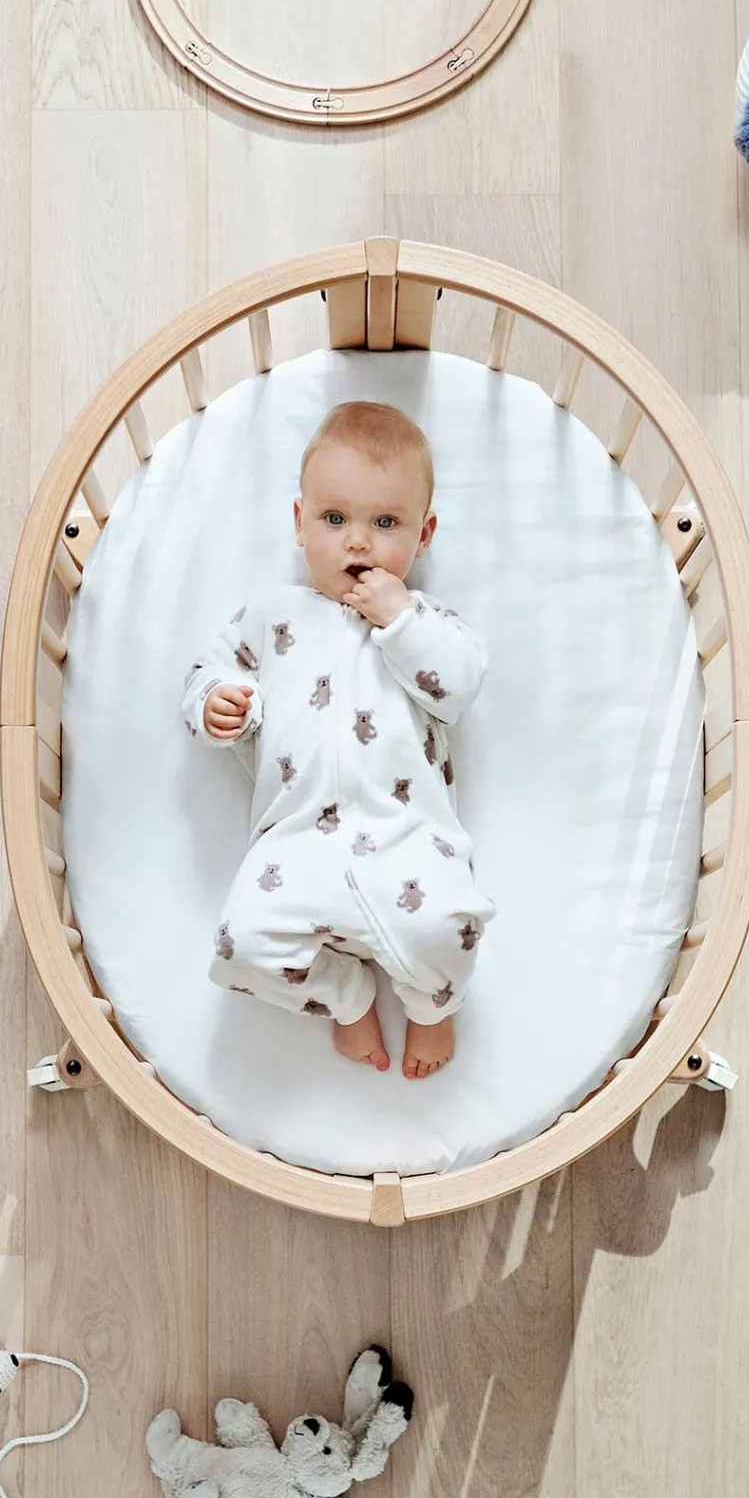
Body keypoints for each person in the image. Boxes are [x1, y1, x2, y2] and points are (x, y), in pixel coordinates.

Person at [183, 401, 494, 1078]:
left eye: (385, 523)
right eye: (334, 519)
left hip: (409, 838)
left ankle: (430, 1010)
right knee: (242, 947)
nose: (358, 543)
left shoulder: (427, 620)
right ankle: (347, 998)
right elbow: (209, 670)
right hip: (295, 844)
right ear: (300, 523)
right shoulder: (272, 618)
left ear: (423, 534)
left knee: (452, 928)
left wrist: (400, 620)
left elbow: (460, 685)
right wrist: (215, 704)